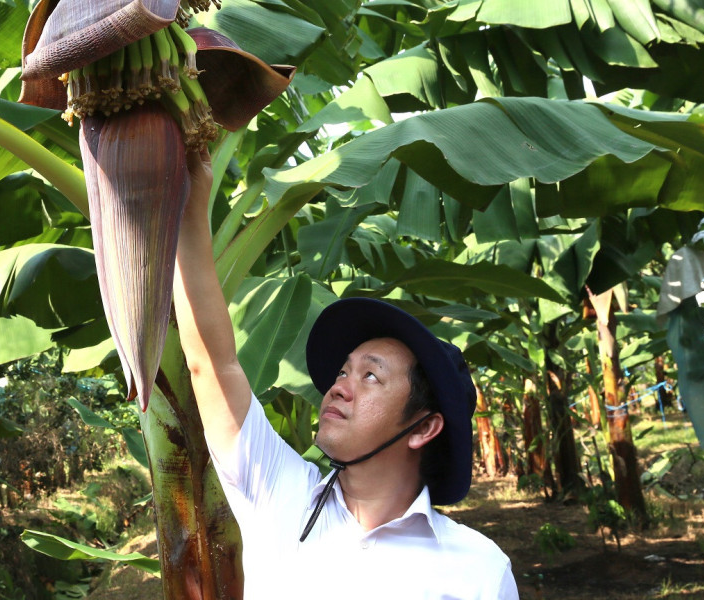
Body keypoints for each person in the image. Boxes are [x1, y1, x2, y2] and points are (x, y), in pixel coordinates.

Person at [172, 149, 519, 598]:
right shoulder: (280, 492)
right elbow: (213, 365)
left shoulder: (479, 572)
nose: (339, 386)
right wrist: (187, 210)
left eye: (370, 376)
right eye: (343, 371)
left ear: (424, 427)